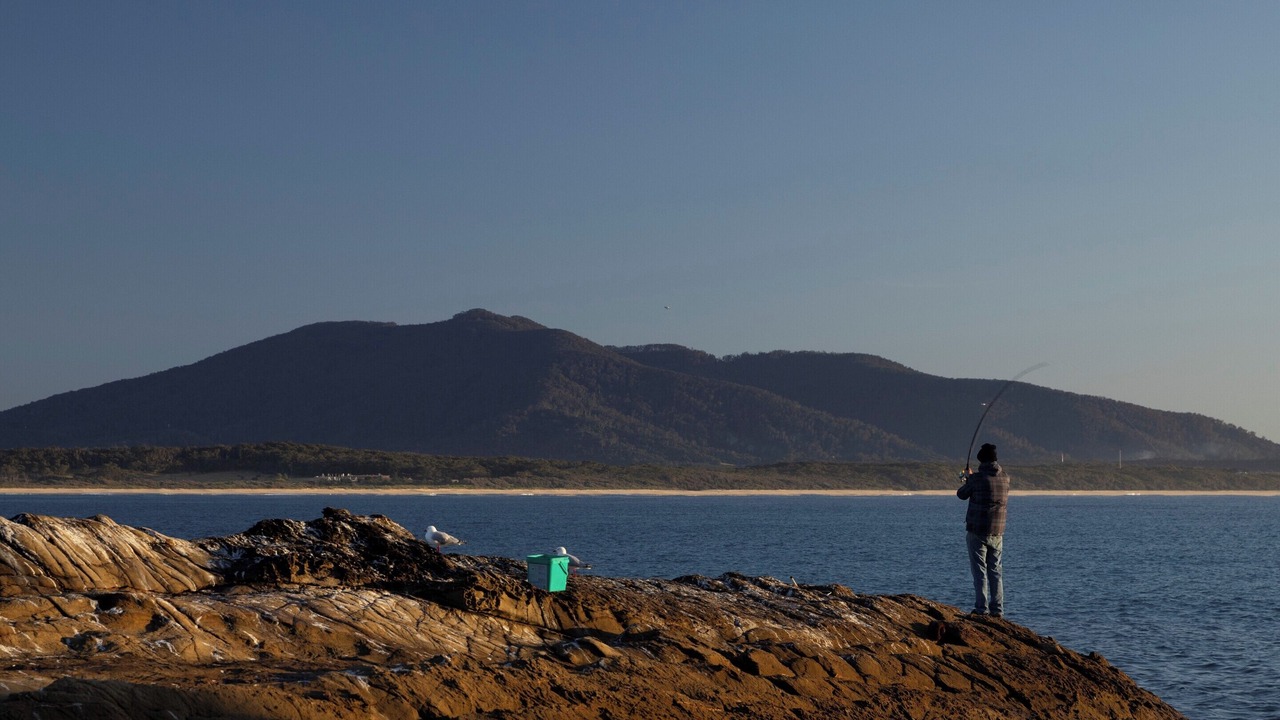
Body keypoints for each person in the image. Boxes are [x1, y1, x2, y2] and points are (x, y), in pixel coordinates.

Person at [957, 442, 1010, 617]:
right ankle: (997, 610)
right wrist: (972, 478)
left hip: (977, 531)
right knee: (995, 572)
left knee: (980, 571)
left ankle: (981, 609)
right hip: (998, 531)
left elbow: (961, 494)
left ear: (982, 461)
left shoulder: (977, 479)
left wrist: (967, 478)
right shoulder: (1005, 478)